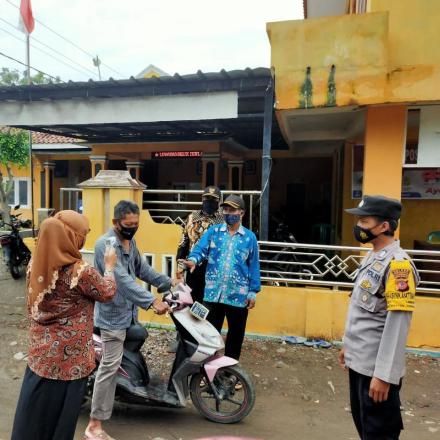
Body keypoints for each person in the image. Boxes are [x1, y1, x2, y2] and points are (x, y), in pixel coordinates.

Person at [11, 210, 117, 440]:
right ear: (71, 237)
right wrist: (109, 266)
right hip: (71, 363)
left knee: (34, 417)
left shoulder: (36, 264)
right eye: (82, 235)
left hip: (40, 357)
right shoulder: (80, 271)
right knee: (60, 422)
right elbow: (107, 292)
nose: (84, 240)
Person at [85, 200, 175, 440]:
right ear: (116, 222)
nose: (133, 228)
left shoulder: (130, 242)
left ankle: (130, 387)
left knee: (138, 340)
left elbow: (142, 270)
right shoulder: (106, 245)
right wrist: (151, 301)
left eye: (136, 224)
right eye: (128, 225)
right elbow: (122, 281)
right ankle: (94, 424)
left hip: (129, 315)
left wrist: (168, 282)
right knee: (110, 367)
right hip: (112, 318)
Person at [339, 195, 420, 440]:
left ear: (384, 226)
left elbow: (397, 325)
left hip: (376, 371)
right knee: (365, 429)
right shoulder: (373, 256)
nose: (358, 226)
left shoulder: (398, 267)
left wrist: (385, 375)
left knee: (379, 433)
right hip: (359, 363)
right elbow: (360, 310)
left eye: (364, 221)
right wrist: (347, 345)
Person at [182, 194, 261, 361]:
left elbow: (253, 265)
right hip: (213, 294)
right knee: (210, 334)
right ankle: (208, 368)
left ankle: (229, 369)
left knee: (235, 335)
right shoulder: (214, 232)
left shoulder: (249, 238)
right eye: (225, 210)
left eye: (232, 210)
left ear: (242, 213)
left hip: (238, 296)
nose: (228, 213)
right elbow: (200, 249)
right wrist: (193, 260)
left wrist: (253, 292)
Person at [176, 185, 223, 303]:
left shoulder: (222, 221)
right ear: (202, 199)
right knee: (192, 301)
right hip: (193, 266)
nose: (210, 201)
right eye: (207, 198)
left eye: (214, 199)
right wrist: (180, 268)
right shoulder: (192, 217)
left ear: (219, 201)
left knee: (210, 303)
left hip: (214, 268)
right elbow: (183, 242)